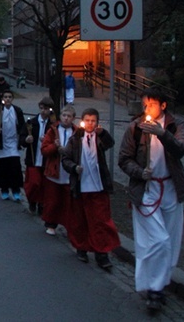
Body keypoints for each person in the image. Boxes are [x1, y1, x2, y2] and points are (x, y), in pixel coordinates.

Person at [118, 87, 184, 311]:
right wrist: (140, 173)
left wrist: (162, 134)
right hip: (146, 190)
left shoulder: (175, 125)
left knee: (169, 241)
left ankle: (159, 286)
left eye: (151, 104)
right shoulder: (135, 128)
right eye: (144, 104)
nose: (146, 109)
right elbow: (124, 159)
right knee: (156, 240)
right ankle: (153, 288)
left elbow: (183, 148)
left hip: (170, 188)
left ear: (163, 105)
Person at [60, 107, 119, 270]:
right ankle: (82, 248)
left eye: (93, 121)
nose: (90, 124)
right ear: (83, 121)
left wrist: (103, 133)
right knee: (80, 220)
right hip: (81, 186)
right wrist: (74, 167)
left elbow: (110, 143)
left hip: (98, 187)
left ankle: (102, 253)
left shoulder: (99, 138)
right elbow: (65, 159)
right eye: (88, 120)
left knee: (100, 221)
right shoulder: (75, 139)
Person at [40, 104, 76, 236]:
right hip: (54, 171)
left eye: (69, 116)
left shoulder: (77, 132)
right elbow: (44, 150)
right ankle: (50, 223)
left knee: (68, 202)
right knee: (52, 200)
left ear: (73, 118)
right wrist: (54, 147)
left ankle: (68, 225)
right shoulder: (53, 130)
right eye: (64, 115)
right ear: (60, 117)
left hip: (69, 173)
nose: (66, 118)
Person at [0, 90, 27, 201]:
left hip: (13, 143)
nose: (8, 99)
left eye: (10, 97)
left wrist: (22, 138)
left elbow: (22, 126)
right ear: (3, 98)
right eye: (5, 97)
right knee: (3, 168)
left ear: (12, 98)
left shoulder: (17, 111)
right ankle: (4, 189)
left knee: (14, 167)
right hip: (2, 143)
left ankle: (16, 190)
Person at [24, 96, 55, 215]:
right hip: (33, 157)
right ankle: (32, 200)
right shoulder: (32, 123)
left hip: (46, 159)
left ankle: (41, 203)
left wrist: (49, 141)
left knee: (44, 184)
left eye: (46, 109)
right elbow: (22, 138)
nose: (43, 111)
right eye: (42, 108)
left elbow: (57, 140)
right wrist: (26, 139)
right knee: (33, 182)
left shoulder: (53, 126)